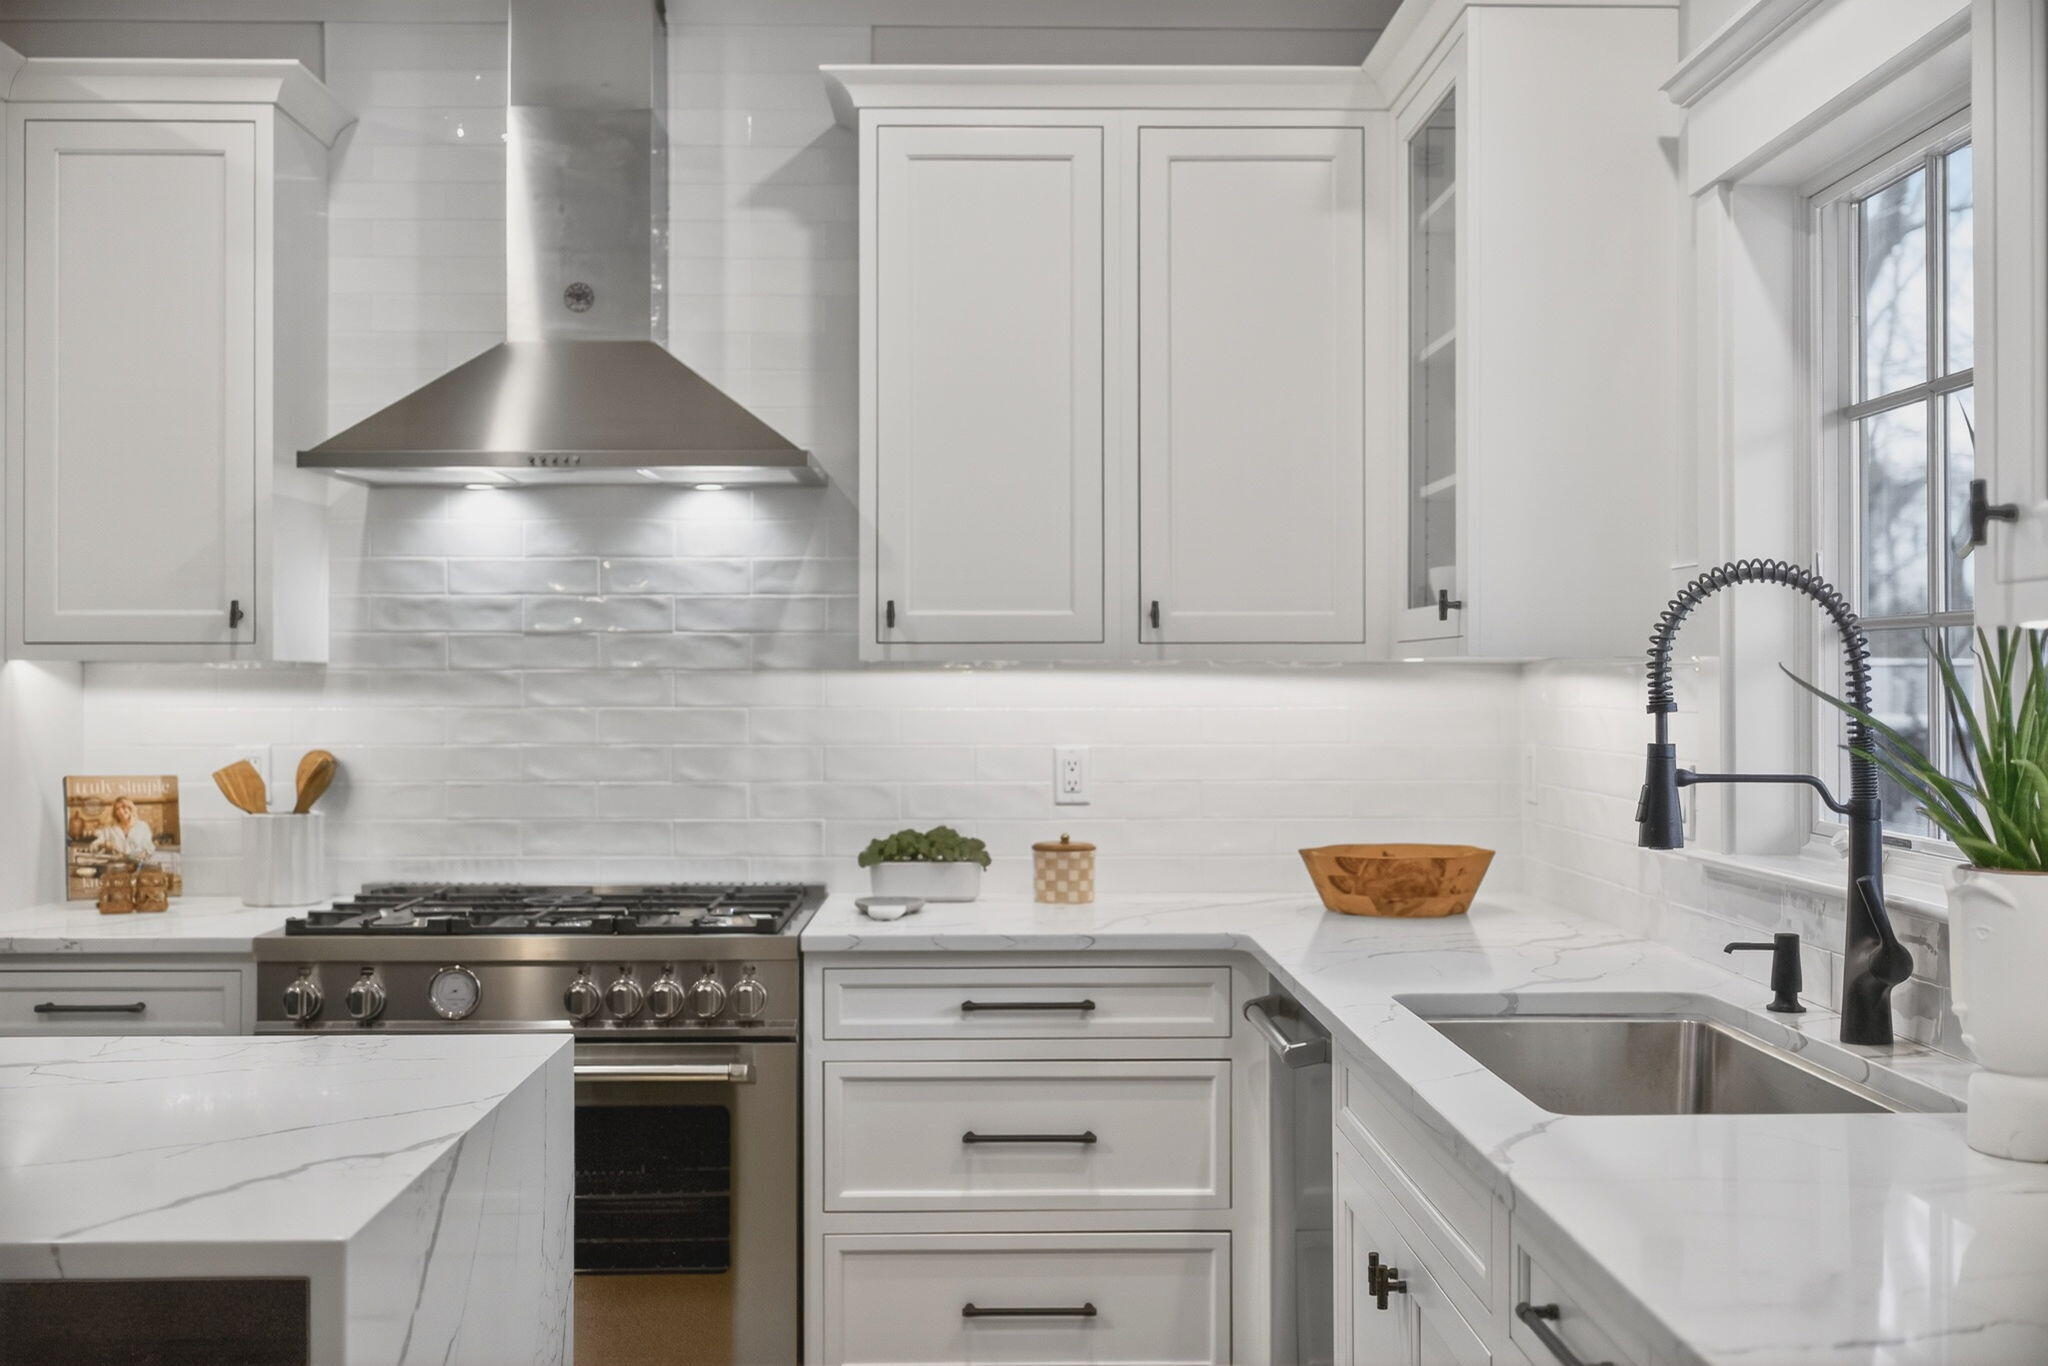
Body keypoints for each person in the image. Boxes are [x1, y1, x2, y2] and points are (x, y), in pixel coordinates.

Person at [90, 796, 156, 862]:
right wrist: (103, 845)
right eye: (117, 809)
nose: (121, 811)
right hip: (117, 864)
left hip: (137, 864)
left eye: (123, 807)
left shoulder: (142, 826)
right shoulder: (110, 829)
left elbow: (149, 847)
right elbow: (94, 846)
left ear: (130, 808)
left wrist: (144, 853)